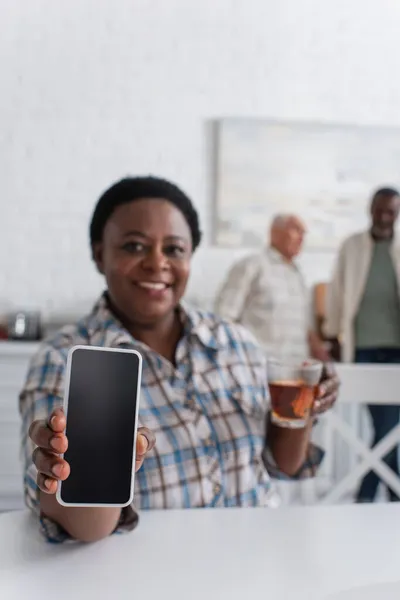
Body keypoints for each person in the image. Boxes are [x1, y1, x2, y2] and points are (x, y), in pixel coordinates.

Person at [20, 177, 339, 543]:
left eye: (174, 249)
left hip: (260, 561)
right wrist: (87, 473)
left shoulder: (236, 342)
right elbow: (86, 529)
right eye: (134, 246)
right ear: (99, 254)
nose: (157, 263)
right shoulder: (61, 361)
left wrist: (304, 406)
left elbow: (285, 465)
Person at [325, 187, 400, 502]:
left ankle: (367, 493)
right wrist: (331, 335)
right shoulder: (351, 247)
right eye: (379, 210)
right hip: (364, 349)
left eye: (391, 211)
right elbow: (336, 293)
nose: (384, 216)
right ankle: (388, 494)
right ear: (370, 210)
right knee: (384, 426)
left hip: (398, 351)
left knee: (390, 427)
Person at [215, 214, 330, 362]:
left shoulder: (297, 275)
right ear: (274, 233)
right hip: (256, 365)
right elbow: (224, 317)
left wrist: (321, 353)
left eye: (303, 233)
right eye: (295, 230)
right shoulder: (251, 265)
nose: (301, 238)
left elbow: (305, 326)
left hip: (295, 369)